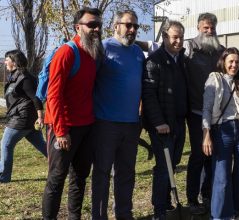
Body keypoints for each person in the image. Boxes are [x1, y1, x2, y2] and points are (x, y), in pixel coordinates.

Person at [41, 7, 103, 219]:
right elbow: (54, 94)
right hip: (64, 128)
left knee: (80, 177)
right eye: (91, 25)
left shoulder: (94, 52)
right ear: (78, 27)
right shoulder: (67, 52)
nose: (96, 29)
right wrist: (60, 131)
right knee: (57, 179)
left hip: (87, 126)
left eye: (98, 25)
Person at [91, 10, 144, 219]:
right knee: (102, 173)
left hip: (131, 124)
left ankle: (124, 214)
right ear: (116, 26)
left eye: (135, 26)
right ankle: (99, 216)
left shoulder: (138, 52)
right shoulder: (102, 49)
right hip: (105, 123)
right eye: (128, 25)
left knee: (126, 174)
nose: (132, 30)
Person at [202, 47, 239, 219]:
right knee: (222, 176)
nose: (234, 65)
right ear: (224, 62)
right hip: (222, 131)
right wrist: (206, 134)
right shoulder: (215, 79)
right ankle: (221, 215)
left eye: (237, 62)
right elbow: (206, 109)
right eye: (231, 62)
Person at [142, 20, 187, 220]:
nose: (178, 41)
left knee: (173, 162)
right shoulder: (154, 60)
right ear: (165, 37)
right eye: (174, 37)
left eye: (181, 37)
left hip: (178, 121)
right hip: (161, 124)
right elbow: (149, 94)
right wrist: (159, 122)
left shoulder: (182, 59)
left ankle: (168, 202)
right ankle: (159, 210)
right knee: (163, 166)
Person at [184, 12, 225, 214]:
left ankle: (207, 194)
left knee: (212, 155)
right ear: (198, 28)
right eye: (205, 28)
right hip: (196, 111)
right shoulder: (188, 49)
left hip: (218, 113)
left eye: (212, 28)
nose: (209, 31)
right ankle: (192, 198)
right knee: (199, 154)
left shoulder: (221, 51)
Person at [0, 50, 47, 183]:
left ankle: (3, 176)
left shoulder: (24, 78)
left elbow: (36, 98)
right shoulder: (16, 76)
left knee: (6, 144)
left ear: (14, 62)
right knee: (42, 145)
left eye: (7, 60)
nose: (5, 62)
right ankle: (63, 165)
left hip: (22, 118)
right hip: (24, 118)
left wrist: (40, 116)